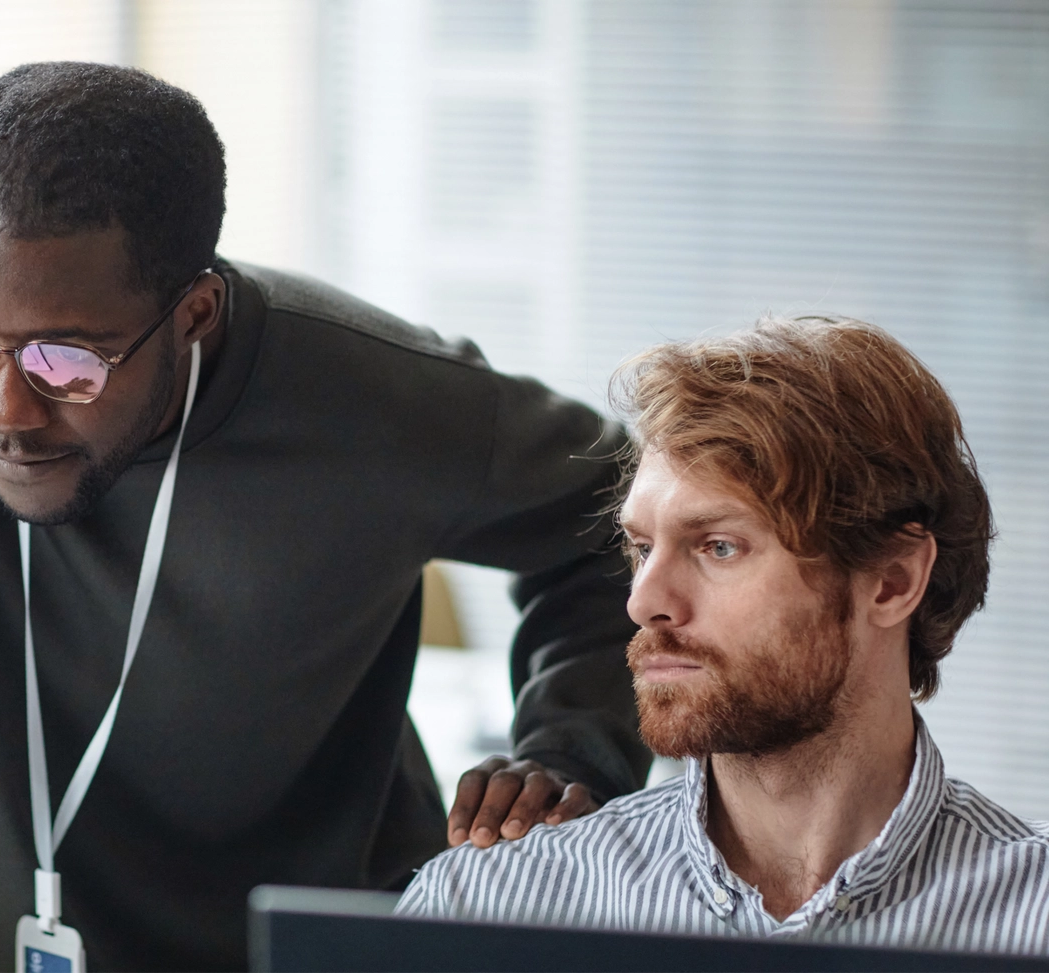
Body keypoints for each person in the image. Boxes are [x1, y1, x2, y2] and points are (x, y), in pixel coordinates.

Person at [0, 62, 650, 972]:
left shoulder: (382, 400)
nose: (2, 409)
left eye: (65, 361)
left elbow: (628, 519)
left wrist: (571, 749)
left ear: (196, 315)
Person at [399, 316, 1049, 954]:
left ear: (892, 581)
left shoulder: (1034, 915)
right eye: (643, 547)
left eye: (718, 546)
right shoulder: (488, 912)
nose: (643, 600)